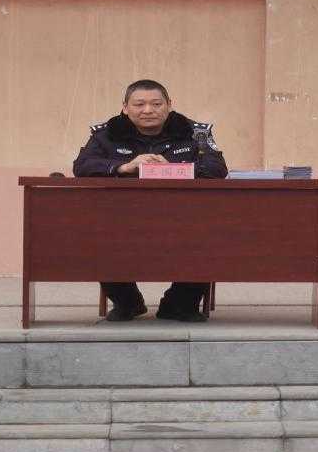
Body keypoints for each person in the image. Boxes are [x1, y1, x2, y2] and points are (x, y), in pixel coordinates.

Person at [73, 79, 228, 323]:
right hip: (121, 216)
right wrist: (125, 167)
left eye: (156, 104)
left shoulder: (195, 132)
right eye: (139, 104)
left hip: (184, 216)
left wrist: (173, 168)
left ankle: (179, 305)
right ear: (125, 107)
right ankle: (128, 303)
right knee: (96, 235)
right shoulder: (107, 134)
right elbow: (82, 166)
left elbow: (216, 168)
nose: (148, 110)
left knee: (207, 233)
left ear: (169, 105)